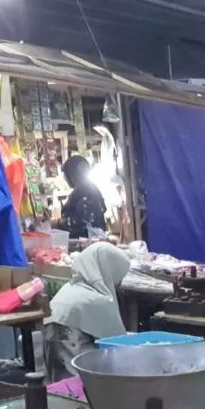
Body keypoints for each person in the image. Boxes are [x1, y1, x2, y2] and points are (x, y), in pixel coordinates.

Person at [43, 243, 131, 381]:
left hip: (54, 348)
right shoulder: (97, 299)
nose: (119, 283)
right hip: (73, 349)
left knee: (61, 388)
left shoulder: (71, 288)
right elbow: (117, 342)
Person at [58, 155, 106, 239]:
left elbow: (82, 221)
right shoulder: (91, 188)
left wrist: (61, 222)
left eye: (66, 174)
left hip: (86, 241)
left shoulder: (82, 191)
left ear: (72, 173)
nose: (65, 179)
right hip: (95, 239)